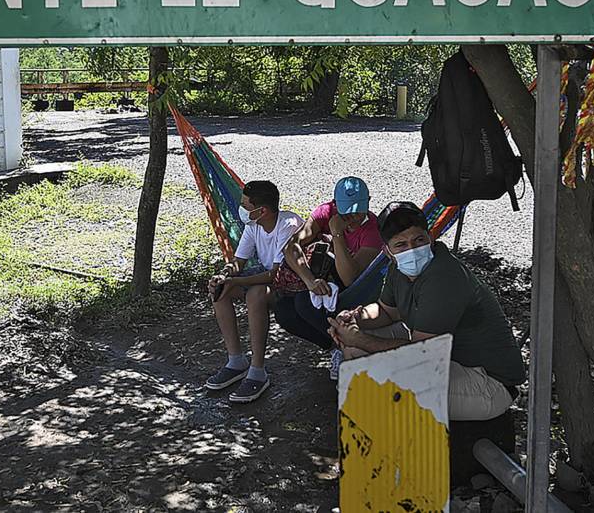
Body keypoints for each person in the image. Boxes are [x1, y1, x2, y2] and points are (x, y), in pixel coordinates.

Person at [327, 201, 525, 421]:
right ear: (388, 251)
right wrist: (354, 319)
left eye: (418, 240)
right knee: (355, 353)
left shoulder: (443, 277)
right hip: (450, 358)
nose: (411, 250)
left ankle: (400, 449)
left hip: (488, 382)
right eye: (401, 244)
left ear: (430, 237)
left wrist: (359, 338)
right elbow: (386, 312)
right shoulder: (397, 268)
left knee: (375, 383)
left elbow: (421, 352)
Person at [273, 176, 383, 380]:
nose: (353, 216)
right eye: (346, 210)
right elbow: (291, 246)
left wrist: (337, 234)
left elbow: (351, 279)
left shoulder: (372, 231)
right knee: (283, 311)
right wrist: (309, 280)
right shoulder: (325, 212)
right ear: (335, 204)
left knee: (304, 303)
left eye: (358, 210)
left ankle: (344, 344)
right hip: (324, 281)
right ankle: (335, 346)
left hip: (359, 289)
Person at [205, 180, 303, 403]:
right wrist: (225, 276)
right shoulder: (254, 225)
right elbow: (238, 261)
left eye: (245, 206)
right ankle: (236, 360)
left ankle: (258, 371)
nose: (242, 210)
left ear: (262, 210)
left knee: (255, 295)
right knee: (220, 291)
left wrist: (235, 281)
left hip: (291, 284)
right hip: (269, 276)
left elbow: (275, 275)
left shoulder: (287, 224)